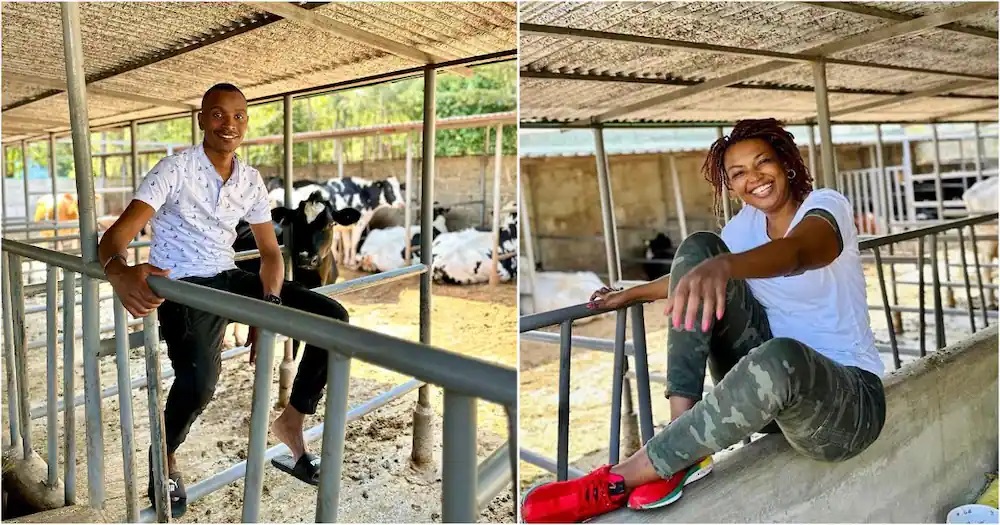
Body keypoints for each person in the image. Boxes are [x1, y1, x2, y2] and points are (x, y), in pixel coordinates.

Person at [520, 118, 887, 523]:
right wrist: (631, 293)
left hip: (846, 404)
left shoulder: (825, 206)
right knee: (698, 247)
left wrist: (726, 265)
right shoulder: (743, 228)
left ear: (786, 163)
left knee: (780, 354)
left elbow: (801, 252)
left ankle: (621, 478)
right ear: (730, 186)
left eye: (763, 163)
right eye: (739, 173)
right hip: (770, 403)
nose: (755, 178)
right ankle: (683, 445)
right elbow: (693, 273)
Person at [98, 83, 349, 517]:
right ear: (201, 120)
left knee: (332, 316)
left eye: (237, 116)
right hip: (182, 285)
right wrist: (120, 274)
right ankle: (166, 456)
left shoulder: (250, 180)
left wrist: (266, 309)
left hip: (230, 276)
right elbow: (115, 238)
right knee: (199, 382)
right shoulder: (174, 169)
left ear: (246, 122)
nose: (228, 124)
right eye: (217, 114)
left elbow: (271, 254)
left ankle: (291, 419)